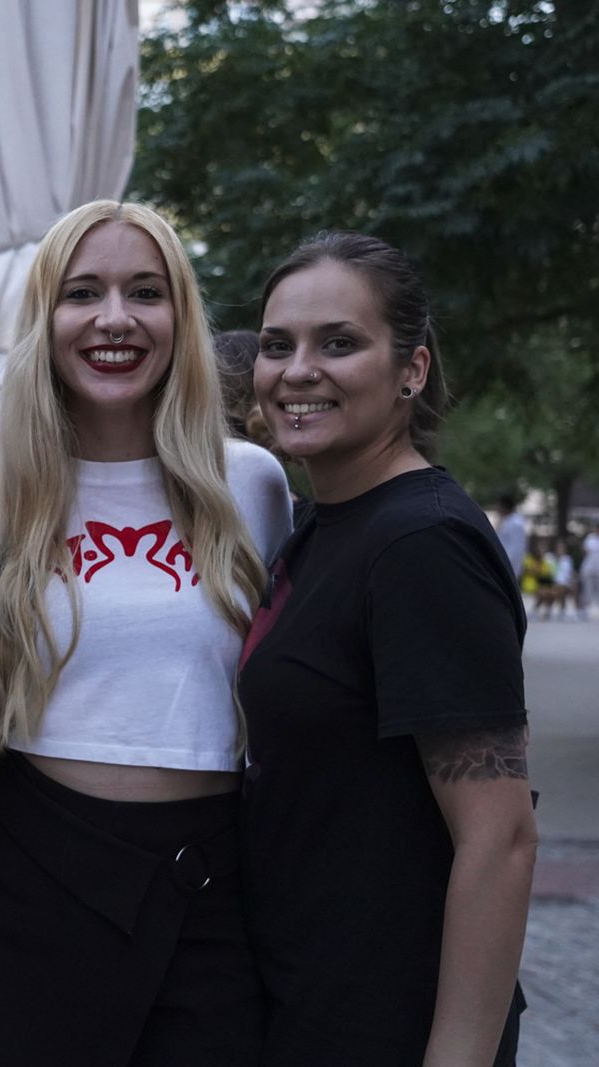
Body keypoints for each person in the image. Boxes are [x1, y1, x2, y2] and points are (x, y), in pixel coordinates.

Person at [0, 200, 292, 1066]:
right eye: (83, 292)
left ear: (182, 318)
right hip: (23, 882)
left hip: (211, 882)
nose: (115, 319)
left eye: (146, 292)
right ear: (45, 320)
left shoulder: (254, 486)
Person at [240, 232, 535, 1065]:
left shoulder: (421, 543)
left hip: (386, 1022)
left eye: (339, 342)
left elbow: (501, 837)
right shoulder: (321, 526)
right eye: (277, 345)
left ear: (411, 369)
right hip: (307, 1001)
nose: (298, 369)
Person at [496, 493, 527, 583]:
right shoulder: (506, 522)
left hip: (509, 566)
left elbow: (516, 549)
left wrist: (506, 566)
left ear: (504, 506)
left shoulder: (516, 523)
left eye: (499, 505)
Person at [581, 522, 599, 618]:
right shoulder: (590, 538)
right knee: (587, 591)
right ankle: (585, 611)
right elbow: (585, 551)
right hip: (589, 568)